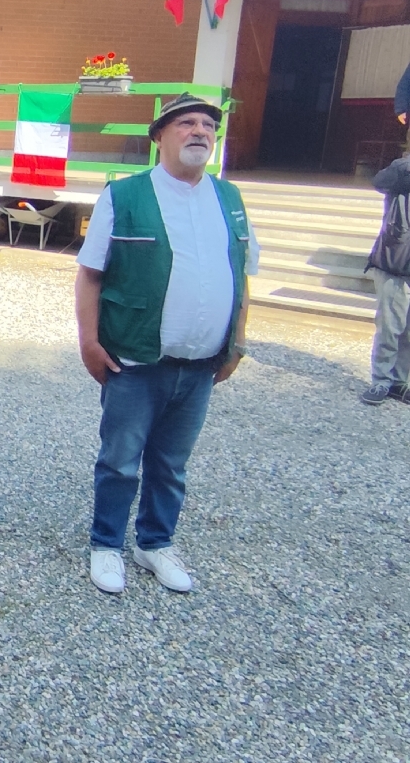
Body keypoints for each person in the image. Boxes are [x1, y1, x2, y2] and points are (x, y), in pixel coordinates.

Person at [75, 93, 258, 595]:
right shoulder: (124, 195)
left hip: (201, 366)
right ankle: (106, 544)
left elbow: (243, 278)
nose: (200, 131)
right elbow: (90, 276)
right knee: (119, 460)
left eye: (207, 125)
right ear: (159, 137)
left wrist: (237, 345)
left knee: (172, 464)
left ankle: (154, 543)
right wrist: (89, 341)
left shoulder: (230, 199)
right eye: (186, 123)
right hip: (134, 360)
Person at [360, 154, 410, 406]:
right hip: (395, 264)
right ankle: (381, 379)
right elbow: (379, 182)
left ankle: (400, 381)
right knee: (390, 328)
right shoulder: (402, 171)